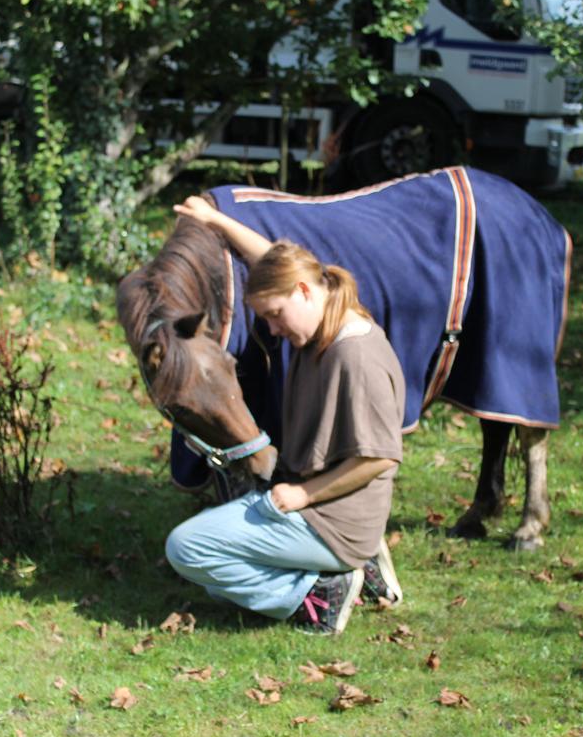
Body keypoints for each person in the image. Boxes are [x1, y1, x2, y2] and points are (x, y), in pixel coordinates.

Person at [163, 195, 405, 635]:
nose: (273, 329)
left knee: (188, 550)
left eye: (275, 316)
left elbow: (381, 459)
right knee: (219, 585)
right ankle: (353, 569)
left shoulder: (356, 357)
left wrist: (306, 496)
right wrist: (215, 219)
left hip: (328, 517)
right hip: (320, 506)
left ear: (305, 292)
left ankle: (317, 596)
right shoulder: (325, 312)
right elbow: (272, 263)